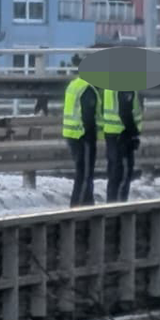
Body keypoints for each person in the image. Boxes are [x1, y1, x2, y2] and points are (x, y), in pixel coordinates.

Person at [61, 56, 100, 207]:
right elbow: (88, 116)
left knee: (82, 172)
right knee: (85, 173)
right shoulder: (87, 89)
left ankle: (87, 205)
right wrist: (92, 135)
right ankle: (79, 207)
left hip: (72, 134)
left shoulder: (74, 84)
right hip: (83, 135)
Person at [102, 85, 143, 202]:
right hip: (123, 135)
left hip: (111, 134)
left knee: (113, 176)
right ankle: (119, 208)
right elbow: (125, 112)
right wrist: (134, 133)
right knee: (122, 176)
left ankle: (111, 206)